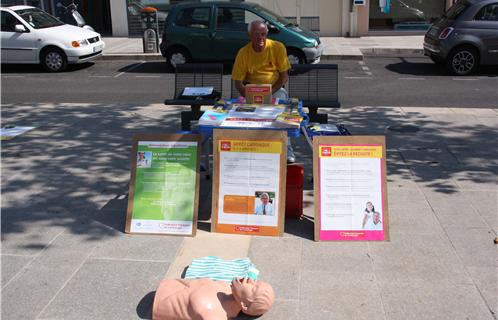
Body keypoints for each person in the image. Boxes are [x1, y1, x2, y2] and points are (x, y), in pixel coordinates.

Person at [231, 20, 296, 163]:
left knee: (283, 116)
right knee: (241, 114)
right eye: (256, 35)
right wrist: (247, 95)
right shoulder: (243, 53)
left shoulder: (277, 47)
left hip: (274, 89)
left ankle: (287, 150)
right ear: (250, 35)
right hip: (251, 90)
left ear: (267, 33)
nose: (260, 38)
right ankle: (245, 150)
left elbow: (284, 76)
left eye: (263, 34)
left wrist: (269, 92)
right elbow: (237, 82)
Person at [152, 277, 275, 320]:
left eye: (253, 288)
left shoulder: (215, 316)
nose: (251, 280)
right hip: (168, 285)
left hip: (158, 305)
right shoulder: (225, 288)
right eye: (256, 281)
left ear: (244, 305)